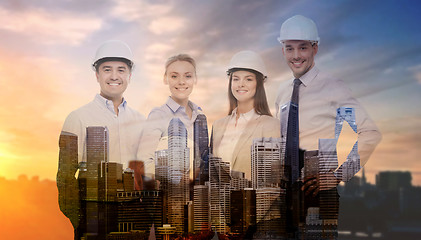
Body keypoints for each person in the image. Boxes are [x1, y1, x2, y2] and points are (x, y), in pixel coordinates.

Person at [275, 15, 382, 238]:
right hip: (286, 193)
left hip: (318, 191)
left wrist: (339, 174)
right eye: (289, 48)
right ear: (282, 50)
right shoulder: (282, 93)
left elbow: (369, 132)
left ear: (315, 48)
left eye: (302, 48)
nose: (296, 55)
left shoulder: (333, 87)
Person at [56, 40, 145, 238]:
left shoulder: (141, 120)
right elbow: (65, 177)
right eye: (107, 69)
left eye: (121, 70)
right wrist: (80, 220)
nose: (114, 76)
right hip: (94, 215)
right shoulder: (77, 117)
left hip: (132, 214)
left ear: (129, 75)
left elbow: (143, 171)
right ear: (97, 75)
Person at [137, 54, 206, 188]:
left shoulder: (200, 115)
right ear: (165, 79)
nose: (181, 82)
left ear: (195, 79)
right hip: (172, 195)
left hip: (199, 195)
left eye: (188, 76)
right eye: (174, 76)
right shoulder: (159, 115)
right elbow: (144, 161)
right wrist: (173, 180)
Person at [212, 50, 280, 180]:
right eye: (236, 79)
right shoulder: (218, 125)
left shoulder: (270, 125)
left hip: (254, 199)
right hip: (221, 199)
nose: (241, 84)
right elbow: (214, 175)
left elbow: (272, 175)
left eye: (248, 79)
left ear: (258, 84)